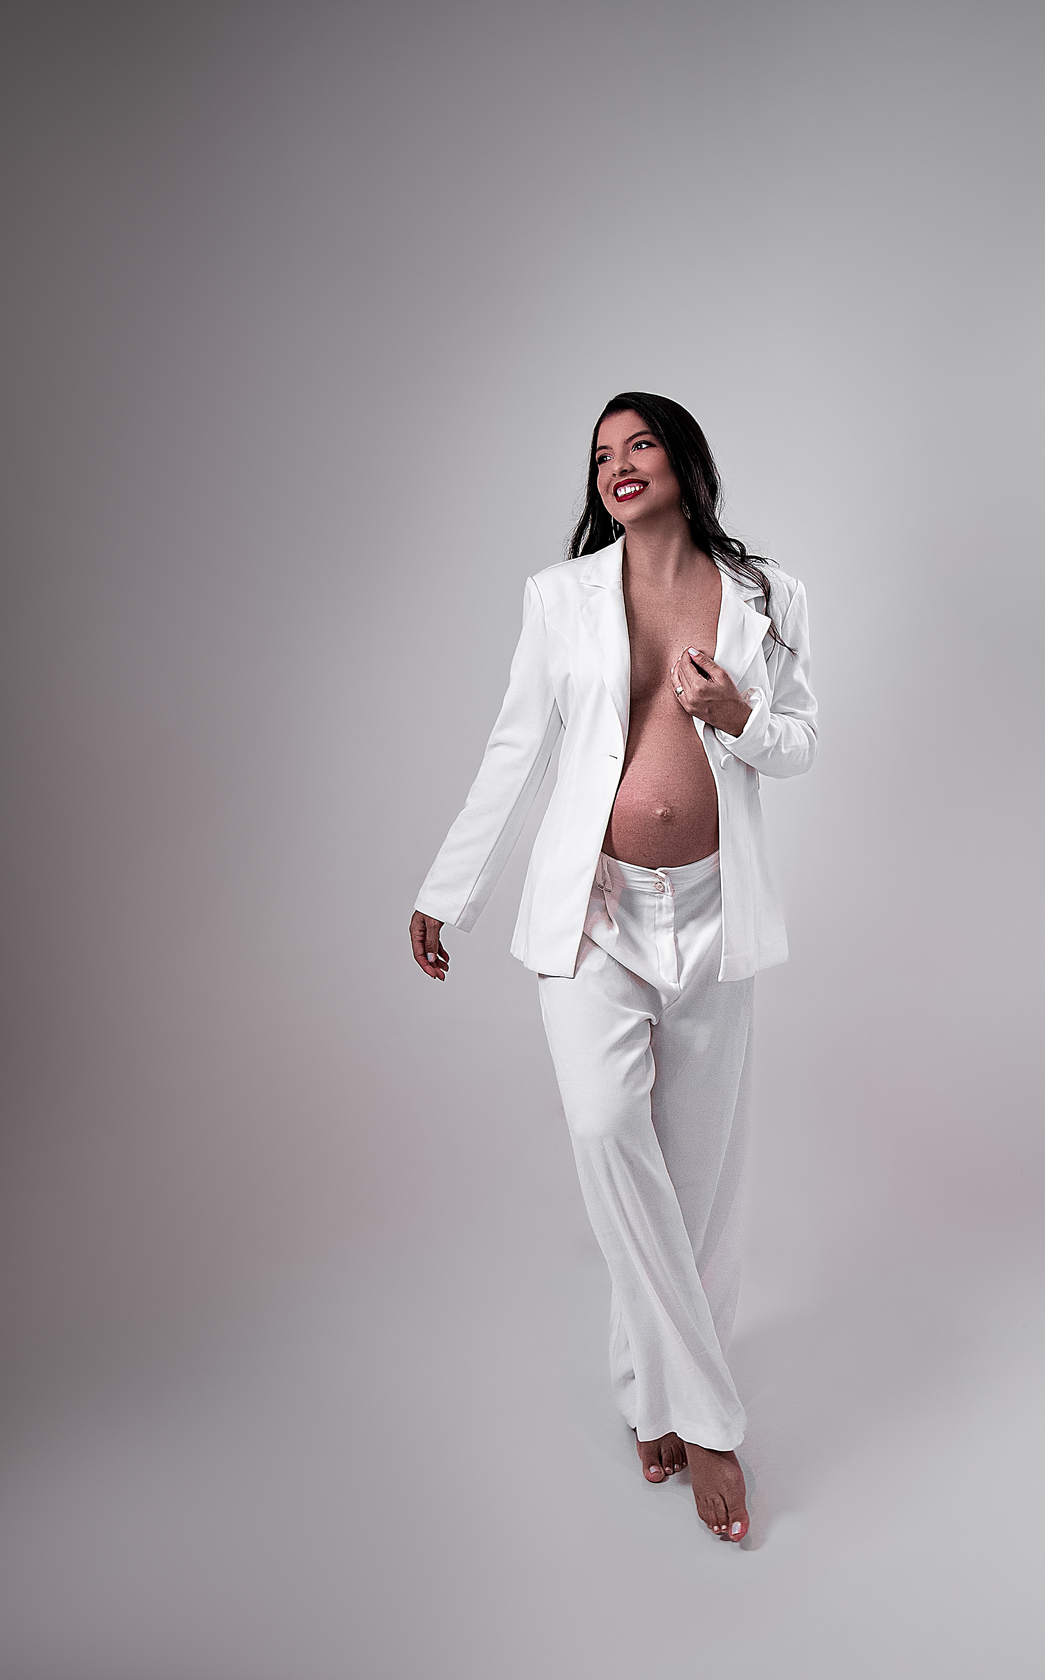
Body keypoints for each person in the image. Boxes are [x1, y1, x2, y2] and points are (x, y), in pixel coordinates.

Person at [408, 393, 817, 1542]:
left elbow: (800, 741)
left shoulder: (768, 595)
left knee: (699, 1183)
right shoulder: (560, 597)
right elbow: (515, 747)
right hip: (594, 913)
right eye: (600, 454)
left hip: (715, 914)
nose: (617, 465)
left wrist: (736, 711)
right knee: (605, 1130)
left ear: (684, 460)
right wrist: (449, 888)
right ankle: (711, 1419)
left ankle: (649, 1394)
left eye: (639, 445)